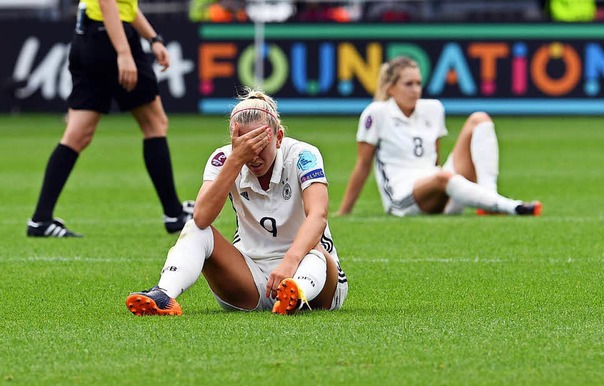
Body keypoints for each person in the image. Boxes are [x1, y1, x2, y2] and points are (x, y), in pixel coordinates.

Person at [126, 89, 348, 316]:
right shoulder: (224, 159)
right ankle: (164, 294)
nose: (253, 156)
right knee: (195, 228)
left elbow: (318, 215)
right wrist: (235, 159)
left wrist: (290, 262)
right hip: (249, 280)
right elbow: (202, 217)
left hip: (312, 277)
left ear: (278, 137)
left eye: (260, 144)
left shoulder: (304, 155)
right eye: (244, 145)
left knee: (315, 251)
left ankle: (294, 294)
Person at [26, 0, 193, 237]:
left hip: (87, 35)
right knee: (155, 124)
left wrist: (153, 38)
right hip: (111, 37)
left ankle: (40, 220)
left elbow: (127, 6)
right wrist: (124, 53)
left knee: (77, 135)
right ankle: (174, 214)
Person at [337, 56, 542, 217]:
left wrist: (440, 180)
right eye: (408, 84)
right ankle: (509, 206)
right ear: (390, 88)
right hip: (403, 198)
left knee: (479, 119)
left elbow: (434, 157)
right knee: (442, 176)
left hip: (437, 185)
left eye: (418, 83)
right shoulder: (377, 113)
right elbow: (363, 165)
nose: (416, 90)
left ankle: (489, 197)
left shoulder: (432, 109)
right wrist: (345, 211)